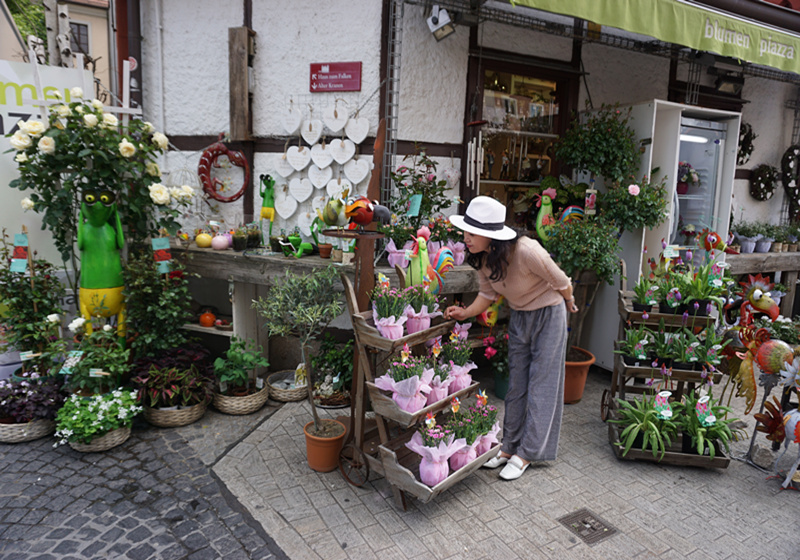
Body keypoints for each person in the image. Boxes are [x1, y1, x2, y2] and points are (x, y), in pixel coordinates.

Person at [444, 196, 578, 480]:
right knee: (516, 384)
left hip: (549, 314)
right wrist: (465, 312)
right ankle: (508, 446)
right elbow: (487, 294)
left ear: (490, 235)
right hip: (520, 316)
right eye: (465, 231)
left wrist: (569, 302)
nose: (465, 238)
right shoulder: (483, 257)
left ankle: (527, 452)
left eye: (471, 232)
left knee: (541, 382)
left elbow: (562, 281)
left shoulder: (528, 251)